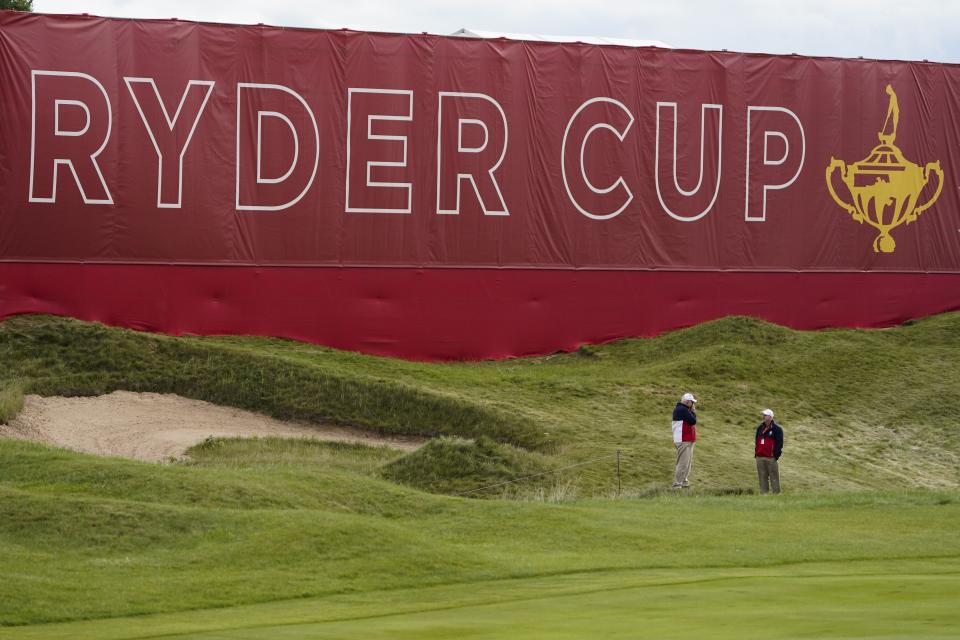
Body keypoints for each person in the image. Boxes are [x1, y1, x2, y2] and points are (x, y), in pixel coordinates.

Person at [671, 392, 698, 489]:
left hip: (687, 439)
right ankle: (677, 484)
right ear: (687, 402)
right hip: (684, 440)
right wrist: (693, 412)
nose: (693, 405)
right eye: (692, 403)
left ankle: (684, 482)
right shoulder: (683, 409)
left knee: (687, 463)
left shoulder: (682, 409)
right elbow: (693, 421)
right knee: (683, 463)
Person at [754, 409, 784, 494]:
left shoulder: (777, 429)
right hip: (760, 457)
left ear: (770, 417)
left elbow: (779, 444)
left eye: (765, 415)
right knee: (762, 477)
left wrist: (776, 456)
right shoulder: (760, 428)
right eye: (763, 415)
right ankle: (764, 494)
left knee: (774, 477)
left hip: (771, 458)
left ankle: (776, 494)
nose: (763, 417)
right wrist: (756, 453)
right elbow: (757, 441)